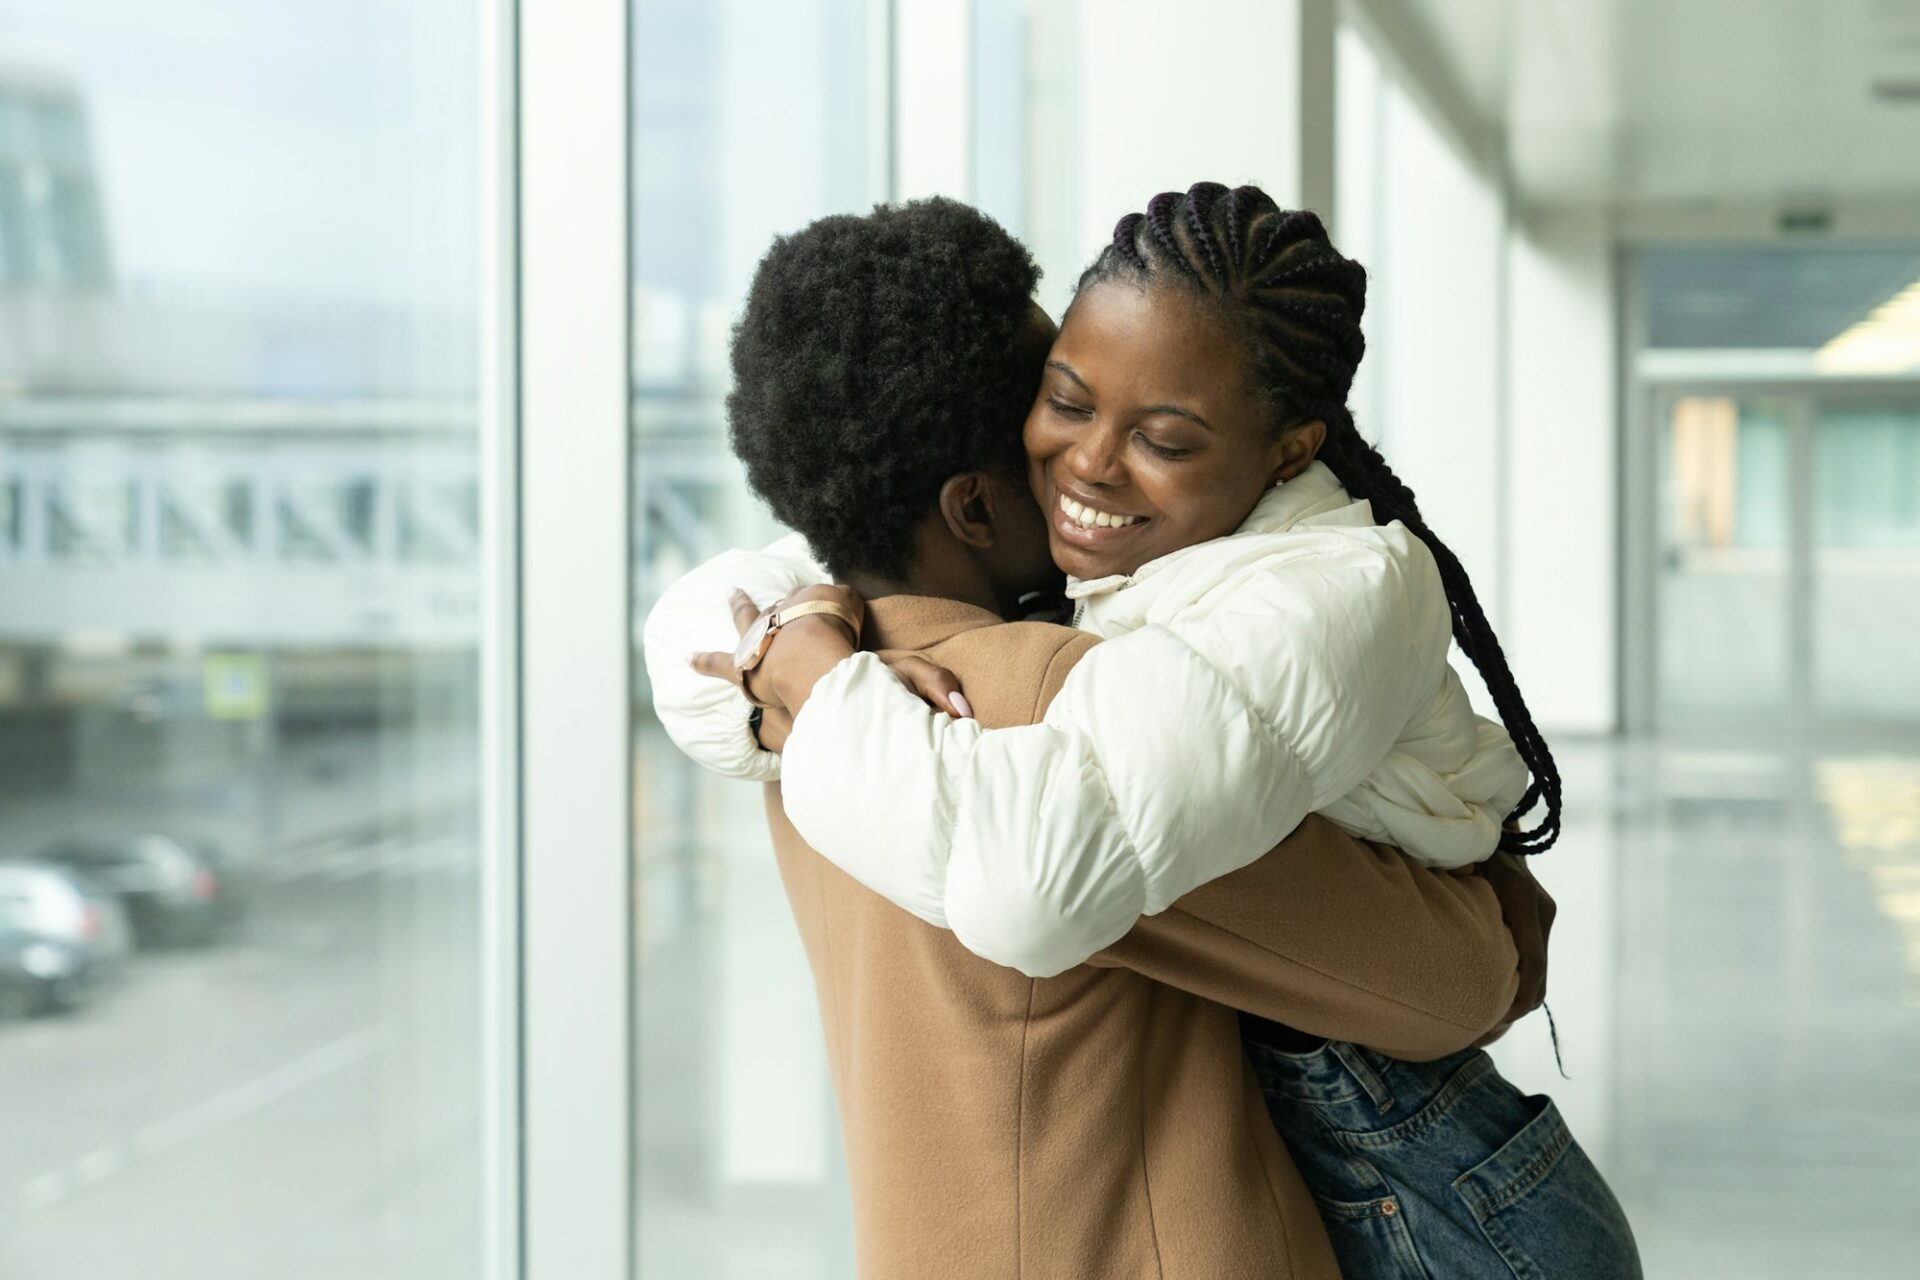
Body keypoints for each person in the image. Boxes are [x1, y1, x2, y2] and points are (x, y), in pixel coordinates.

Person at [658, 184, 1641, 1278]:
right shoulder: (1052, 705)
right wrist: (1492, 903)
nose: (1081, 462)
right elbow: (1442, 982)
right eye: (1058, 407)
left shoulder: (795, 681)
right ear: (978, 506)